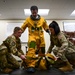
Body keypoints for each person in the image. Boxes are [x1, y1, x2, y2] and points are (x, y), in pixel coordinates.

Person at [21, 5, 49, 73]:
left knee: (42, 51)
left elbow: (46, 26)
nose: (34, 14)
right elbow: (23, 27)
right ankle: (31, 65)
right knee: (31, 50)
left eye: (35, 12)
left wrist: (48, 30)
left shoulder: (42, 19)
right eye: (33, 12)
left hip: (41, 38)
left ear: (37, 11)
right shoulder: (28, 19)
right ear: (31, 12)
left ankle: (41, 63)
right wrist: (19, 32)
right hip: (32, 37)